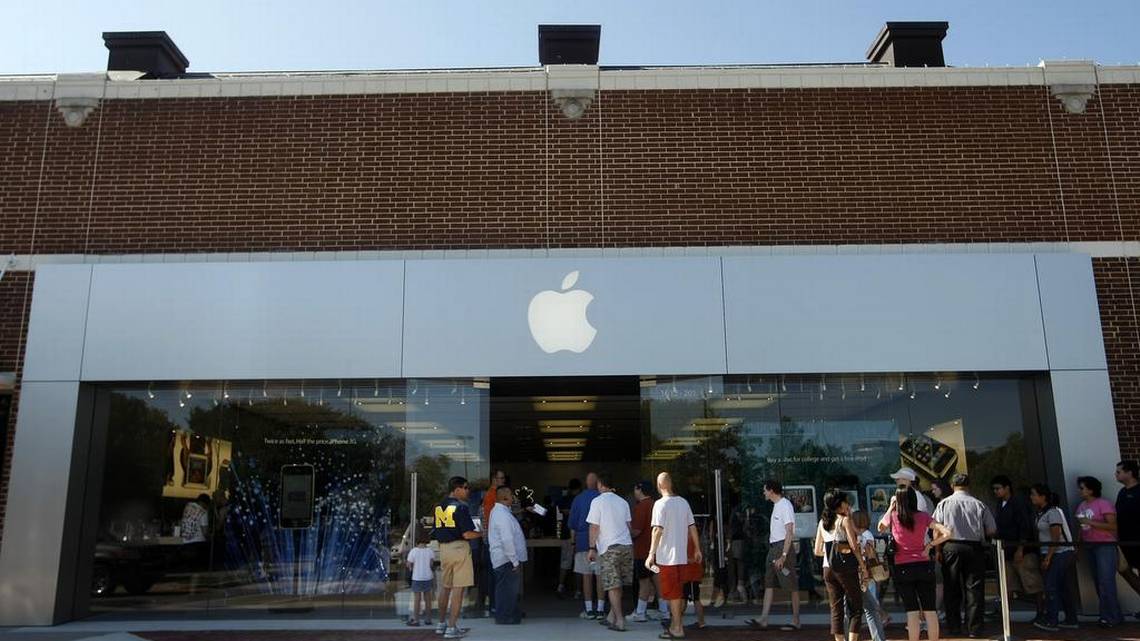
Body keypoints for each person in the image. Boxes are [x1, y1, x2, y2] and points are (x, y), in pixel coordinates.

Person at [880, 486, 952, 641]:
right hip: (924, 565)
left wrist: (891, 507)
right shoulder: (923, 516)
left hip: (902, 567)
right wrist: (930, 546)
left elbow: (880, 527)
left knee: (911, 612)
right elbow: (948, 533)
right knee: (930, 611)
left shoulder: (893, 516)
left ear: (898, 500)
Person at [930, 473, 995, 638]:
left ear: (952, 486)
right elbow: (991, 530)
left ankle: (954, 628)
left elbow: (936, 529)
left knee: (951, 588)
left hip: (950, 547)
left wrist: (937, 551)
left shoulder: (944, 503)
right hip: (974, 548)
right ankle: (974, 628)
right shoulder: (979, 504)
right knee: (974, 590)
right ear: (969, 486)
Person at [647, 472, 702, 640]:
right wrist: (697, 549)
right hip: (682, 556)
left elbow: (657, 530)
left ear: (659, 486)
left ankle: (677, 627)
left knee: (673, 595)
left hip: (667, 557)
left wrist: (651, 554)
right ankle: (674, 625)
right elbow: (692, 526)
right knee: (677, 593)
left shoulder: (660, 504)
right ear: (670, 483)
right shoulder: (683, 502)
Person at [431, 476, 482, 639]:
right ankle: (452, 627)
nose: (468, 491)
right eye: (465, 487)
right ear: (457, 489)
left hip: (444, 549)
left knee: (445, 588)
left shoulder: (438, 506)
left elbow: (435, 530)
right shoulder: (461, 507)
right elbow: (467, 533)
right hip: (459, 548)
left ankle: (441, 623)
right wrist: (482, 533)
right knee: (458, 590)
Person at [816, 490, 868, 641]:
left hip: (828, 568)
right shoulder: (843, 520)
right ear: (840, 504)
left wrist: (831, 554)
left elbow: (817, 550)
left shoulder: (822, 522)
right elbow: (854, 546)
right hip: (845, 568)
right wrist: (863, 568)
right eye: (846, 501)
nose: (848, 504)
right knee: (856, 607)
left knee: (836, 608)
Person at [586, 472, 634, 632]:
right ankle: (611, 616)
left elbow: (594, 527)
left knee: (612, 585)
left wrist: (592, 548)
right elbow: (629, 527)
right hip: (626, 545)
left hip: (609, 547)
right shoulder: (623, 502)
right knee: (619, 583)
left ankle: (619, 621)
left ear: (600, 484)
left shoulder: (597, 502)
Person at [990, 475, 1043, 618]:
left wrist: (1021, 548)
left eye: (998, 488)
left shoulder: (1018, 503)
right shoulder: (1000, 504)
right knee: (1008, 582)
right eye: (994, 489)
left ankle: (1041, 612)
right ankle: (1004, 613)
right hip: (1005, 549)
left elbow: (1024, 526)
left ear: (1007, 488)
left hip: (1022, 550)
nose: (996, 491)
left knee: (1032, 581)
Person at [1028, 483, 1078, 632]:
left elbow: (1055, 537)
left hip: (1059, 553)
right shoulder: (1040, 513)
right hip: (1050, 552)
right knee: (1062, 587)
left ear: (1043, 497)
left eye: (1034, 494)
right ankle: (1071, 619)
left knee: (1051, 586)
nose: (1031, 497)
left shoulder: (1053, 513)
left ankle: (1052, 620)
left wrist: (1048, 557)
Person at [753, 479, 801, 631]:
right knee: (769, 583)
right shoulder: (777, 506)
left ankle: (796, 621)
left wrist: (784, 555)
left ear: (771, 490)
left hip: (781, 548)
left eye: (765, 490)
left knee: (792, 585)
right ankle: (764, 618)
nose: (764, 493)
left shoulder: (785, 506)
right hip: (773, 548)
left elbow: (789, 532)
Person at [1076, 475, 1123, 627]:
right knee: (1098, 581)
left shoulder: (1103, 504)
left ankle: (1112, 617)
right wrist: (1077, 545)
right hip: (1089, 545)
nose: (1080, 491)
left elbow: (1113, 526)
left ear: (1091, 489)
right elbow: (1080, 528)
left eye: (1082, 488)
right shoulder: (1081, 506)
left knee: (1106, 581)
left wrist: (1090, 522)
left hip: (1105, 545)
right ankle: (1107, 615)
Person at [488, 484, 527, 625]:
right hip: (506, 559)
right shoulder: (501, 515)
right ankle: (505, 616)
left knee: (509, 589)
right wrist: (514, 560)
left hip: (505, 559)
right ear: (504, 497)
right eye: (511, 495)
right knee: (507, 589)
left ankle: (511, 613)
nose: (513, 497)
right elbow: (507, 539)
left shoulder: (502, 512)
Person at [570, 472, 606, 619]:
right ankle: (600, 609)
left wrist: (573, 542)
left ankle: (589, 609)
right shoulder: (603, 498)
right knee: (600, 576)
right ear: (598, 483)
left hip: (583, 541)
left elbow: (572, 524)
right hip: (601, 542)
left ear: (586, 483)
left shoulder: (578, 499)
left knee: (586, 576)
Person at [851, 510, 887, 641]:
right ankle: (882, 617)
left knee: (870, 603)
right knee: (870, 603)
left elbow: (868, 553)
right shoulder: (867, 534)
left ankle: (883, 616)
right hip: (866, 572)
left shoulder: (865, 534)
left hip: (865, 571)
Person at [476, 469, 507, 618]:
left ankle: (494, 604)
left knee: (493, 575)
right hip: (492, 542)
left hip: (491, 541)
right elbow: (492, 520)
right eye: (501, 478)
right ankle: (495, 605)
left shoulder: (491, 496)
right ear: (494, 480)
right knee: (495, 575)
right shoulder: (491, 496)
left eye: (503, 478)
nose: (503, 481)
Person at [629, 479, 660, 622]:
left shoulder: (641, 506)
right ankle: (665, 611)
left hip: (642, 551)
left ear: (639, 489)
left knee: (644, 582)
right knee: (658, 581)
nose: (634, 492)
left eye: (635, 489)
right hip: (657, 551)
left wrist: (626, 530)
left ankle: (640, 613)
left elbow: (636, 531)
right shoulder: (656, 504)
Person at [1115, 460, 1140, 614]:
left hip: (1138, 538)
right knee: (1123, 569)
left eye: (1119, 472)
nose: (1116, 474)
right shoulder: (1123, 492)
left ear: (1129, 473)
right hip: (1124, 539)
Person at [556, 478, 582, 598]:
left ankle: (560, 586)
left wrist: (570, 512)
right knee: (579, 565)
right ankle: (578, 590)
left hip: (566, 534)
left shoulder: (564, 499)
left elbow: (561, 510)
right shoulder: (581, 499)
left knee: (565, 562)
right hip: (580, 536)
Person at [405, 529, 435, 627]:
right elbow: (431, 564)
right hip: (428, 577)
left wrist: (411, 567)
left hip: (417, 577)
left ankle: (416, 620)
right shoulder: (430, 551)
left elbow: (409, 565)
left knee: (417, 599)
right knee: (428, 599)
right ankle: (428, 619)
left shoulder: (413, 551)